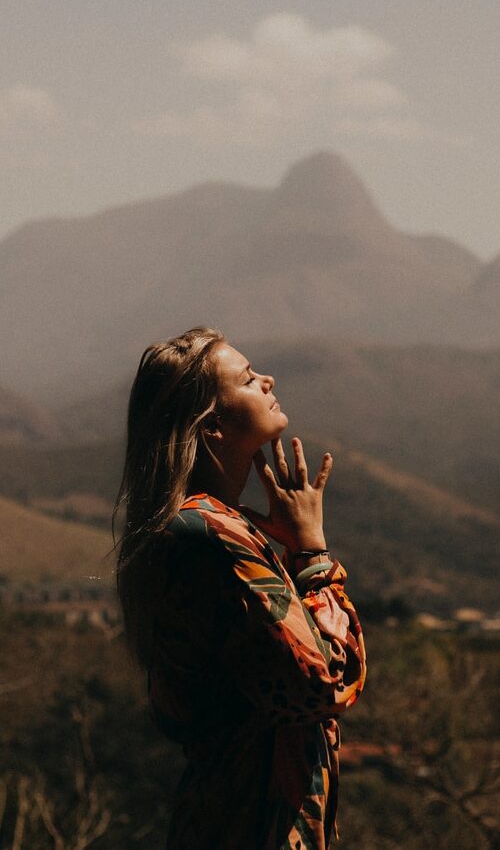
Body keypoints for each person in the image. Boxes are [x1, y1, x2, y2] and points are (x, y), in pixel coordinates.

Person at [115, 326, 367, 849]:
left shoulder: (208, 530)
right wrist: (314, 555)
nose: (269, 379)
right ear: (211, 427)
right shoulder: (209, 537)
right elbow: (322, 684)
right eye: (250, 379)